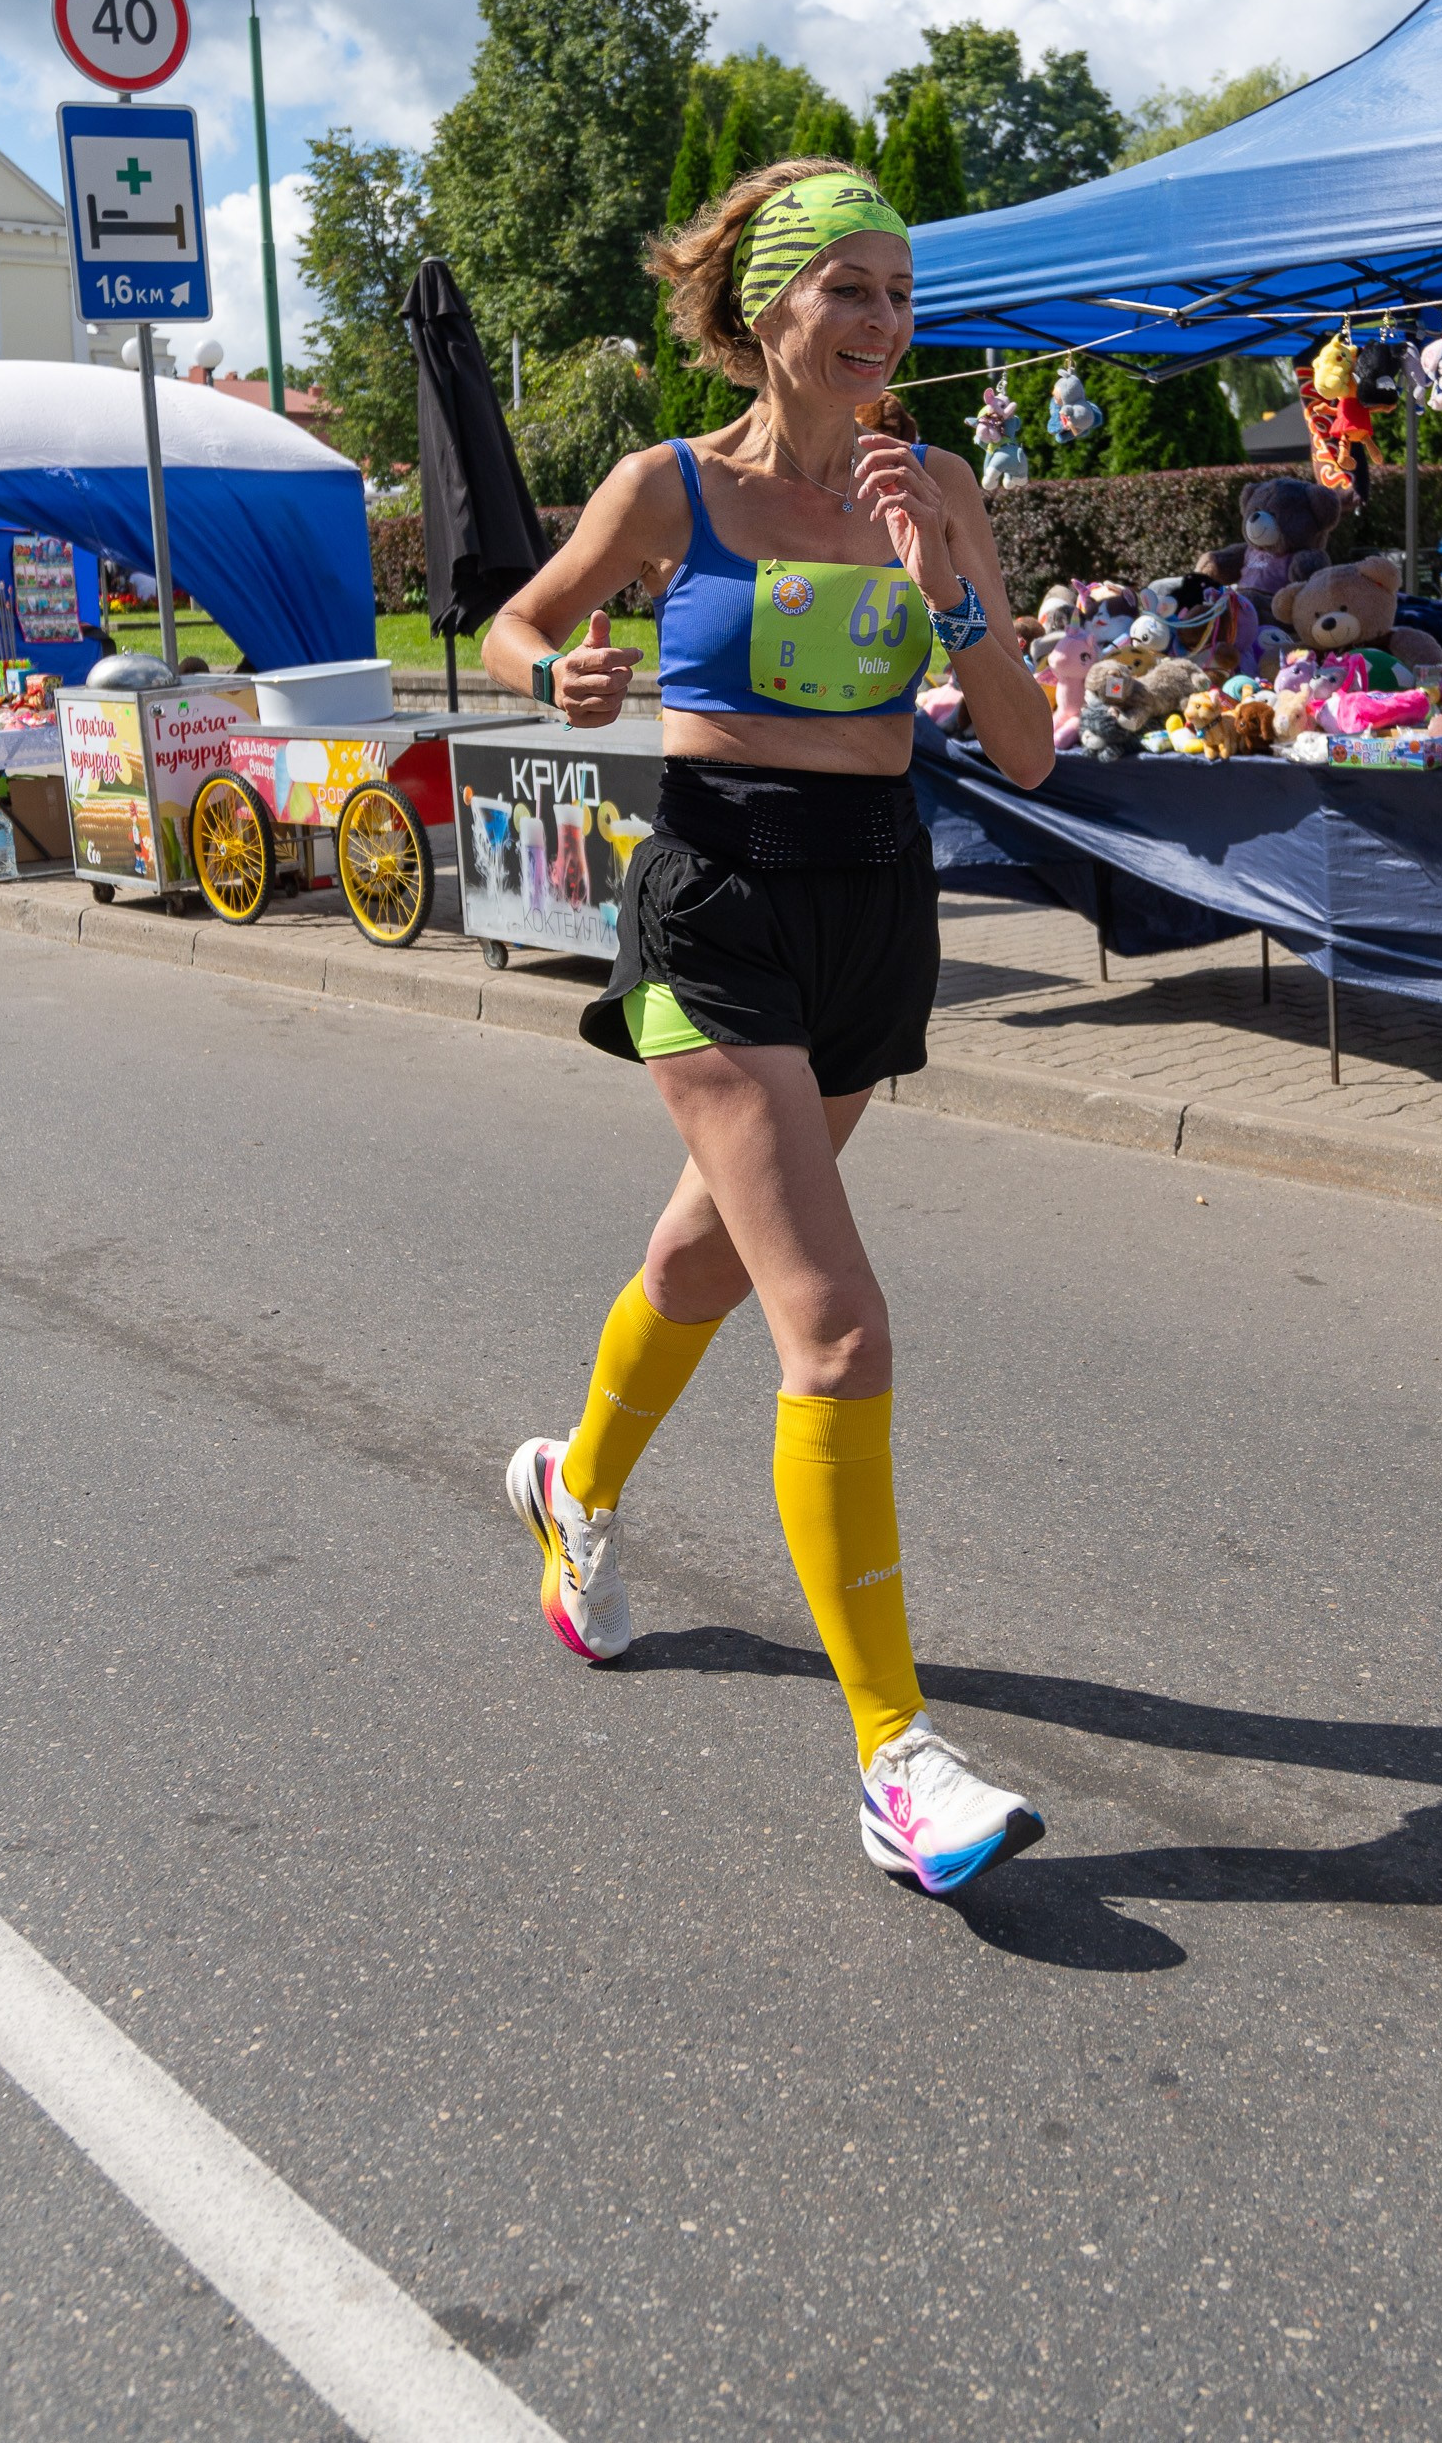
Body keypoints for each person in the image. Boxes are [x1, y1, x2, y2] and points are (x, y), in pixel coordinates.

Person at [485, 159, 1055, 1894]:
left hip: (876, 908)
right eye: (851, 293)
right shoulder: (669, 488)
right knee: (839, 1324)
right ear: (764, 315)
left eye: (901, 296)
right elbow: (523, 623)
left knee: (708, 1263)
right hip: (717, 905)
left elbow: (1024, 750)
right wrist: (557, 680)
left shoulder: (936, 481)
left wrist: (952, 574)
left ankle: (573, 1492)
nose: (886, 326)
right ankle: (897, 1759)